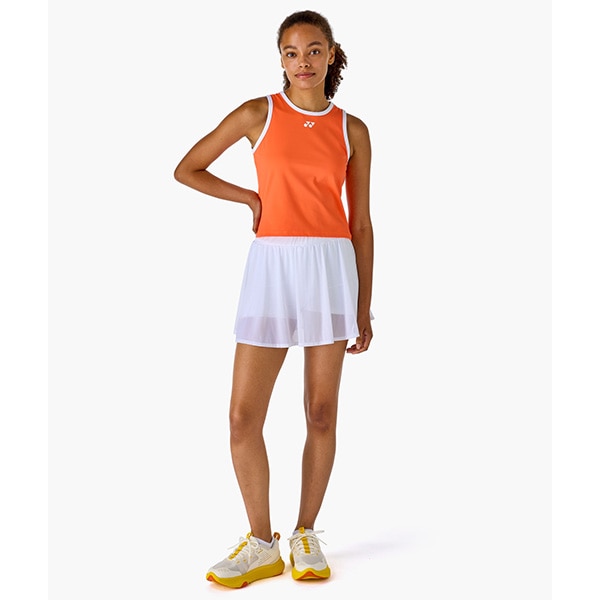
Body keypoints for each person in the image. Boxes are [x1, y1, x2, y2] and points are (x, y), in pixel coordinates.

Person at [174, 9, 374, 588]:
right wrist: (250, 198)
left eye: (313, 50)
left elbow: (361, 223)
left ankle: (305, 533)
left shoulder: (352, 129)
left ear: (331, 54)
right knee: (242, 417)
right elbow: (188, 169)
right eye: (291, 52)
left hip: (331, 268)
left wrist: (363, 305)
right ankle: (261, 543)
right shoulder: (257, 114)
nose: (302, 62)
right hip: (271, 268)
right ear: (280, 59)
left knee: (321, 411)